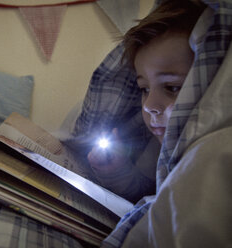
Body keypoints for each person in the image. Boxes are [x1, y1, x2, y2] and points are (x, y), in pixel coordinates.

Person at [63, 0, 232, 247]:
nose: (149, 105)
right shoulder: (158, 145)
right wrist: (116, 172)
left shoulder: (214, 153)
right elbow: (145, 190)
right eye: (144, 88)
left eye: (172, 87)